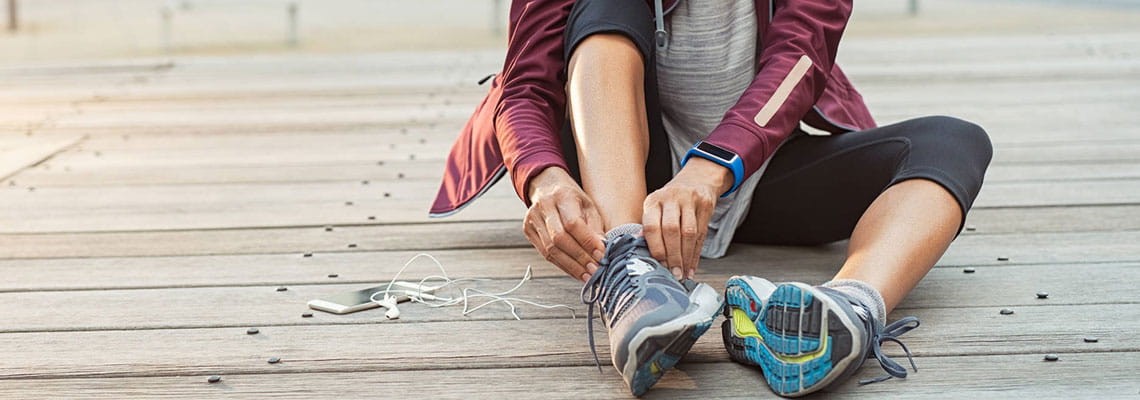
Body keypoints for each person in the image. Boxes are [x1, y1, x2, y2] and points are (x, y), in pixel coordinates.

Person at [431, 0, 992, 396]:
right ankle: (632, 275)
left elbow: (803, 53)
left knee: (953, 140)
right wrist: (542, 175)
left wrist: (712, 168)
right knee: (605, 6)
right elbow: (524, 83)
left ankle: (853, 308)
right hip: (628, 176)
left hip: (753, 169)